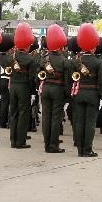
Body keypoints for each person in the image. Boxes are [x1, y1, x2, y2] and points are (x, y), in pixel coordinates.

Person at [71, 24, 102, 157]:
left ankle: (80, 149)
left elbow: (72, 79)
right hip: (93, 94)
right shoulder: (98, 62)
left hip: (78, 93)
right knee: (90, 123)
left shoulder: (76, 61)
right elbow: (101, 81)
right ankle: (88, 149)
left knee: (79, 122)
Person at [39, 24, 71, 153]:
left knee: (46, 117)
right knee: (56, 118)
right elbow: (67, 80)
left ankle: (47, 144)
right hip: (58, 89)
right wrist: (68, 95)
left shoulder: (43, 59)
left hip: (46, 88)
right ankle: (53, 145)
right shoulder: (64, 61)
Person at [7, 23, 37, 149]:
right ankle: (20, 141)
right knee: (23, 114)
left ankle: (13, 140)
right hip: (24, 87)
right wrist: (33, 93)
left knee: (13, 113)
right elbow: (32, 78)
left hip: (13, 86)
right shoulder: (30, 59)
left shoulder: (12, 57)